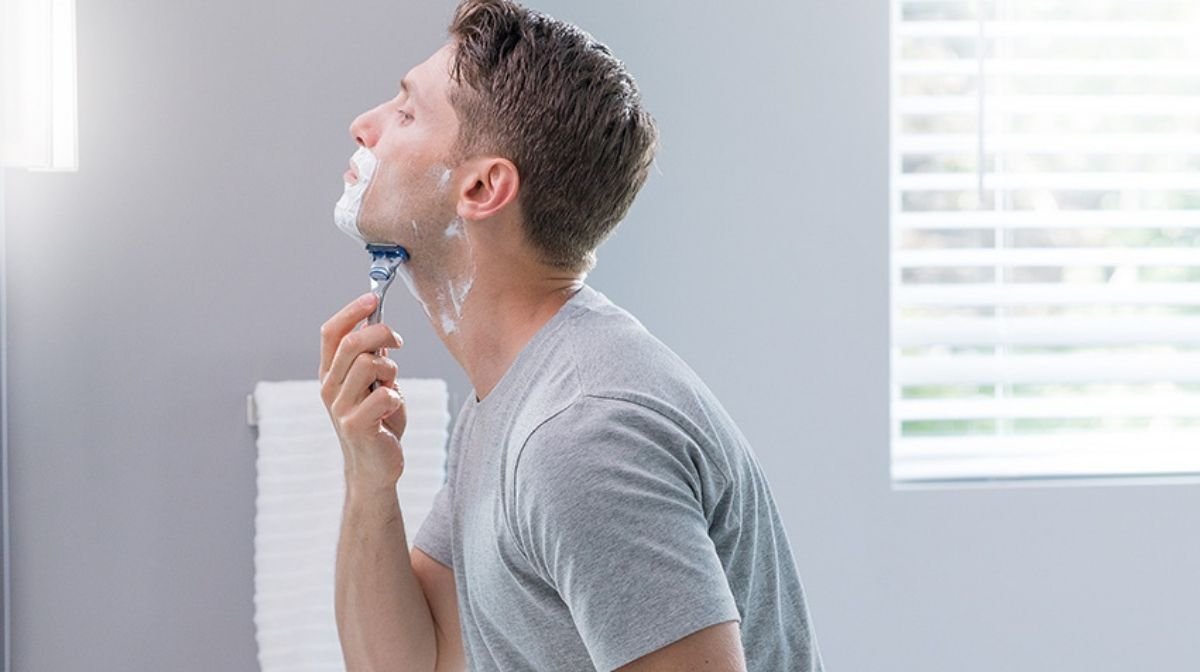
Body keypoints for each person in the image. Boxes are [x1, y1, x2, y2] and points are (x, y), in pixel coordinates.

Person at [317, 1, 824, 670]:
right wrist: (368, 478)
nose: (365, 125)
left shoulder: (582, 437)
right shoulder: (510, 400)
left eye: (406, 113)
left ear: (483, 186)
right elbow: (418, 660)